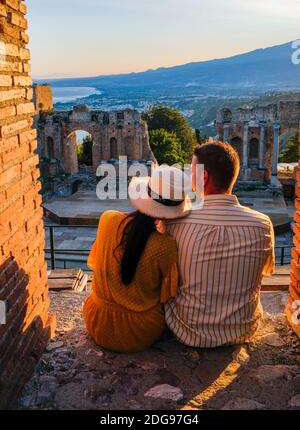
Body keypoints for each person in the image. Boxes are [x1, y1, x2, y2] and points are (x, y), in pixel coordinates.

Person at [165, 141, 275, 348]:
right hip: (244, 328)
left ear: (203, 177)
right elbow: (263, 274)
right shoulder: (262, 224)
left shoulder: (176, 222)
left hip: (187, 329)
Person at [83, 166, 191, 353]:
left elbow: (94, 261)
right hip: (140, 330)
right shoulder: (165, 245)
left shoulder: (107, 219)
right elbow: (167, 295)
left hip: (97, 321)